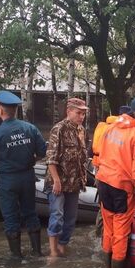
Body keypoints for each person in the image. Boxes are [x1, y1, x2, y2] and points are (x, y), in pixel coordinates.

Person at [0, 91, 47, 259]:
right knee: (30, 213)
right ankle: (37, 253)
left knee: (11, 216)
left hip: (8, 179)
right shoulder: (30, 128)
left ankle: (16, 257)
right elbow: (43, 151)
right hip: (27, 177)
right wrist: (32, 160)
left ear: (1, 110)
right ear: (15, 110)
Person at [96, 97, 135, 268]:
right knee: (120, 232)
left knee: (108, 228)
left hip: (103, 181)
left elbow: (100, 152)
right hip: (121, 186)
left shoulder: (110, 127)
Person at [44, 98, 88, 258]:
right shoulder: (59, 129)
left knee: (71, 218)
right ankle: (53, 251)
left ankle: (62, 247)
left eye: (83, 113)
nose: (81, 116)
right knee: (57, 215)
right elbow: (51, 158)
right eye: (78, 113)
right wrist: (56, 180)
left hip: (74, 182)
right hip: (58, 182)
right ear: (68, 111)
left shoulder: (81, 130)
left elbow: (81, 157)